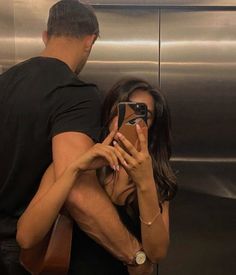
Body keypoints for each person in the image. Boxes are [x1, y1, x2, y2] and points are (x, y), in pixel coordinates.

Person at [0, 1, 144, 274]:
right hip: (28, 256)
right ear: (90, 41)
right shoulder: (73, 93)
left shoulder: (4, 83)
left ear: (45, 36)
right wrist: (134, 254)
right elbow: (77, 191)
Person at [17, 78, 177, 275]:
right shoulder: (78, 163)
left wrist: (145, 183)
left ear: (152, 126)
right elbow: (26, 237)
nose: (128, 121)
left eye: (143, 115)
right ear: (109, 112)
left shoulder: (156, 177)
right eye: (122, 110)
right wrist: (75, 169)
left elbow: (157, 253)